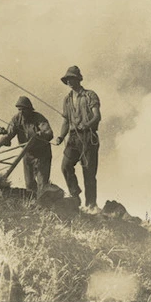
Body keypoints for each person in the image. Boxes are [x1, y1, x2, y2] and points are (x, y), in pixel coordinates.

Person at [53, 66, 102, 212]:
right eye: (67, 79)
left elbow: (97, 116)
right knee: (65, 166)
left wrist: (85, 125)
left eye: (71, 78)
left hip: (88, 137)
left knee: (88, 172)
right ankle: (75, 195)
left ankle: (91, 205)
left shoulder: (90, 95)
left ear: (78, 79)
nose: (69, 81)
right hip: (73, 138)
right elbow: (66, 122)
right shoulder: (67, 100)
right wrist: (61, 137)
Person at [0, 96, 53, 195]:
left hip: (42, 153)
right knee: (29, 183)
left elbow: (49, 132)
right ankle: (33, 204)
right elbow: (9, 134)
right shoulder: (17, 119)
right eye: (19, 110)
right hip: (27, 153)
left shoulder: (38, 118)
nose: (21, 112)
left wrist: (41, 134)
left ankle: (44, 204)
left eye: (24, 110)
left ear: (29, 109)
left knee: (42, 181)